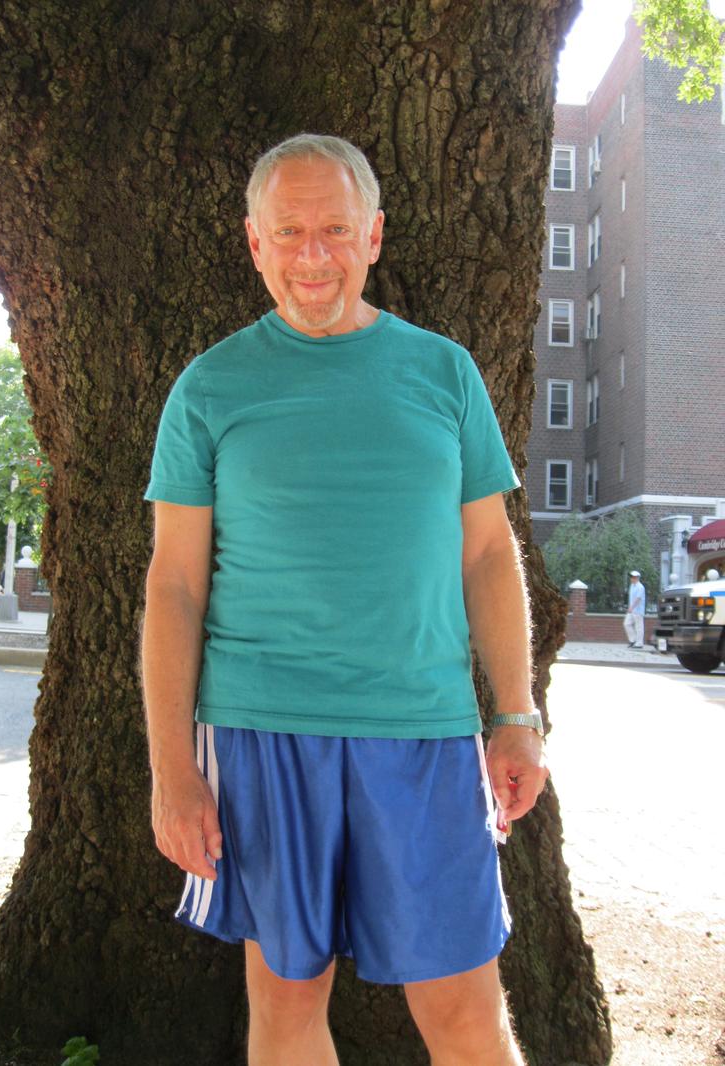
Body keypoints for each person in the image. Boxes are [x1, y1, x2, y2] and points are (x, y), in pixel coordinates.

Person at [142, 133, 549, 1066]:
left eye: (335, 228)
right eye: (290, 232)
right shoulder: (209, 389)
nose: (313, 255)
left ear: (373, 236)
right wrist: (173, 771)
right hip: (260, 731)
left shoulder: (444, 373)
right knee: (285, 1010)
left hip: (425, 732)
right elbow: (173, 585)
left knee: (466, 1016)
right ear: (256, 243)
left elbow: (488, 552)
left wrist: (518, 713)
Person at [624, 570, 646, 648]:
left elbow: (638, 598)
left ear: (637, 578)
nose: (631, 578)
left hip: (638, 610)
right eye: (631, 577)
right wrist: (630, 607)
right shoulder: (632, 586)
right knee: (627, 624)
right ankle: (633, 640)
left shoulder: (640, 587)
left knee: (639, 627)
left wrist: (631, 607)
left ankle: (639, 643)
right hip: (632, 610)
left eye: (633, 577)